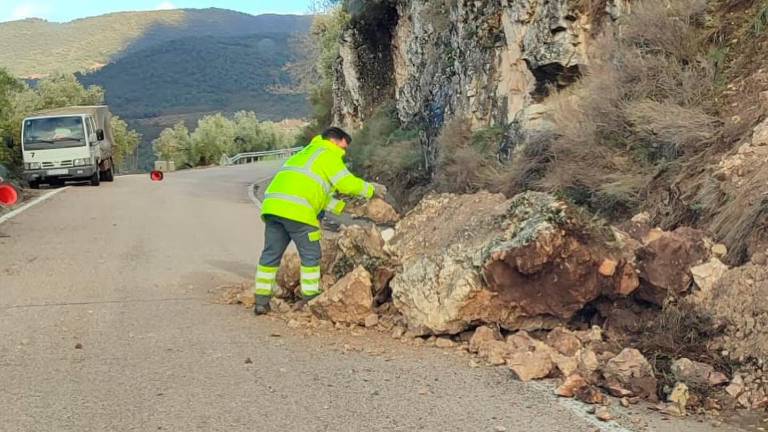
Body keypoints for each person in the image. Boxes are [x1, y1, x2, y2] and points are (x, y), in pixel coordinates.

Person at [253, 127, 385, 315]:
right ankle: (311, 298)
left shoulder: (305, 153)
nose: (343, 152)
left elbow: (318, 196)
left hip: (273, 207)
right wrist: (370, 189)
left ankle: (261, 301)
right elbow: (345, 183)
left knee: (270, 255)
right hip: (298, 212)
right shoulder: (328, 154)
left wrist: (344, 208)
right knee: (311, 255)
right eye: (343, 147)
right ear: (334, 141)